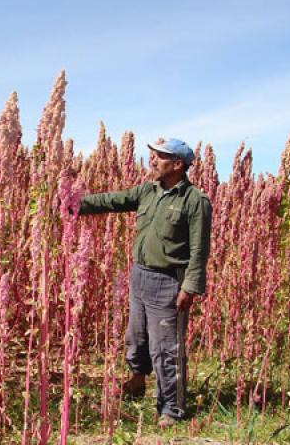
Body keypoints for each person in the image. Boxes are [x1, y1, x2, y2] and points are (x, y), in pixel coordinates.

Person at [78, 137, 212, 426]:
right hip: (140, 276)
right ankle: (137, 381)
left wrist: (190, 287)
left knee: (166, 348)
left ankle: (171, 408)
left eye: (160, 157)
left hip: (169, 282)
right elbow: (112, 200)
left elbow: (200, 250)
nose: (152, 160)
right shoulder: (148, 192)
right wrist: (76, 204)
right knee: (136, 339)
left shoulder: (194, 201)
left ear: (178, 164)